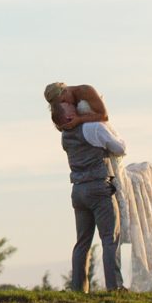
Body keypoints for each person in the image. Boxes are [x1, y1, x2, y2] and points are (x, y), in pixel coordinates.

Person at [50, 100, 126, 292]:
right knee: (109, 238)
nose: (75, 107)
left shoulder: (65, 136)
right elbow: (120, 149)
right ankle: (114, 286)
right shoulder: (92, 127)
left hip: (78, 191)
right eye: (71, 107)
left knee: (82, 242)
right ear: (68, 117)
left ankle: (79, 288)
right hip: (99, 187)